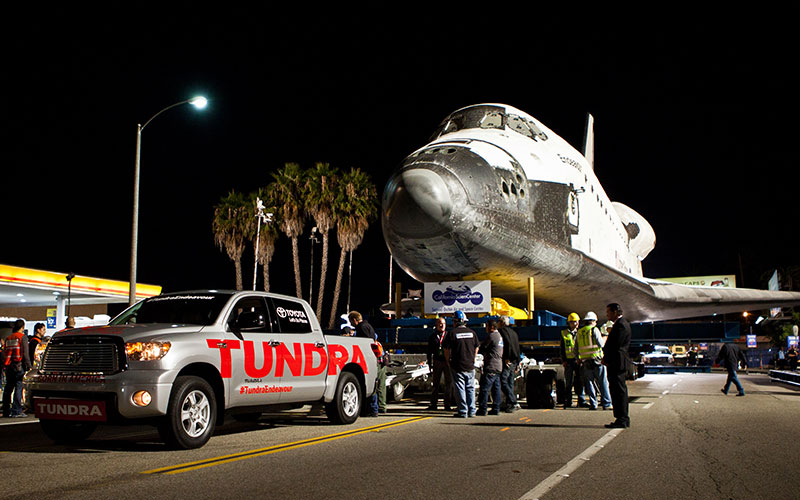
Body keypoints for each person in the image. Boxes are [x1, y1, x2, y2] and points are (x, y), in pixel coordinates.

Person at [443, 310, 479, 418]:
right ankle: (472, 410)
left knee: (460, 388)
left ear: (454, 322)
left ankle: (463, 411)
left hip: (457, 365)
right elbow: (477, 347)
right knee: (470, 388)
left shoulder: (452, 334)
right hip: (470, 365)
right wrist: (473, 358)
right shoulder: (472, 333)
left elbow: (446, 349)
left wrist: (448, 360)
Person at [348, 311, 386, 416]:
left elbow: (367, 343)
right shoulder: (367, 326)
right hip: (374, 357)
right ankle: (373, 409)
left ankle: (372, 409)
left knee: (369, 384)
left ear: (354, 320)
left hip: (369, 358)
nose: (351, 324)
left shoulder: (362, 327)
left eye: (351, 321)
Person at [602, 303, 631, 428]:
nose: (607, 314)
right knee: (617, 390)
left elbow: (615, 346)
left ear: (615, 312)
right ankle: (621, 417)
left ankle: (622, 418)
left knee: (618, 391)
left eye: (608, 312)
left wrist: (606, 358)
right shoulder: (621, 324)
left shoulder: (620, 326)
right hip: (617, 361)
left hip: (616, 362)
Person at [576, 312, 611, 410]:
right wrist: (605, 337)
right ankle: (606, 403)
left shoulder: (579, 332)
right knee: (603, 382)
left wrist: (578, 359)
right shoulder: (594, 330)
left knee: (589, 383)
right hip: (597, 360)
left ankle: (593, 404)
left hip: (585, 361)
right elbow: (601, 344)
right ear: (594, 321)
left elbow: (576, 348)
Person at [2, 319, 32, 418]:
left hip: (9, 365)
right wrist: (29, 366)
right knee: (19, 387)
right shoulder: (22, 337)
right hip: (18, 365)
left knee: (8, 387)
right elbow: (25, 354)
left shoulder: (8, 338)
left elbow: (5, 352)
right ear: (22, 327)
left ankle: (6, 410)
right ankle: (17, 410)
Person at [476, 320, 503, 416]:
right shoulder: (499, 336)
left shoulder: (491, 336)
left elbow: (483, 347)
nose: (485, 328)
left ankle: (482, 409)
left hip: (491, 365)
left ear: (491, 327)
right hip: (498, 365)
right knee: (496, 388)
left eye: (487, 326)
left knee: (484, 388)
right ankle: (496, 408)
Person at [426, 317, 453, 411]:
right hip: (437, 361)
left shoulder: (449, 335)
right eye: (439, 323)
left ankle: (447, 404)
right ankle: (433, 404)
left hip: (447, 362)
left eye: (443, 323)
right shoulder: (433, 337)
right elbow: (429, 351)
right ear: (436, 325)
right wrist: (430, 364)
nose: (441, 325)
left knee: (448, 383)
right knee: (435, 384)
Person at [561, 313, 587, 408]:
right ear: (569, 323)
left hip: (578, 360)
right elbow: (562, 348)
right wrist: (563, 360)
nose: (574, 324)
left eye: (575, 322)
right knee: (568, 382)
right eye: (572, 322)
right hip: (568, 361)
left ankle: (582, 400)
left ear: (578, 322)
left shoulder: (581, 332)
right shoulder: (564, 333)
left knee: (580, 382)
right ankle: (568, 401)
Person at [498, 315, 521, 413]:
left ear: (502, 323)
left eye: (498, 321)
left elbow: (507, 344)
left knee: (503, 381)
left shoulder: (502, 332)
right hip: (514, 360)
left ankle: (513, 402)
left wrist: (507, 357)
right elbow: (517, 347)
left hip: (508, 360)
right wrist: (518, 362)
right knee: (510, 382)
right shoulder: (514, 333)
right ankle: (509, 404)